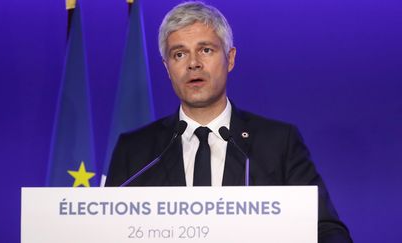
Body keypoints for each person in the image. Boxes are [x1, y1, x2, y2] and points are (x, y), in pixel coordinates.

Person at [106, 1, 352, 242]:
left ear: (230, 58)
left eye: (206, 50)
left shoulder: (278, 143)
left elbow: (326, 229)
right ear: (167, 68)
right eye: (179, 54)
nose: (193, 63)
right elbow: (108, 232)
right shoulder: (135, 150)